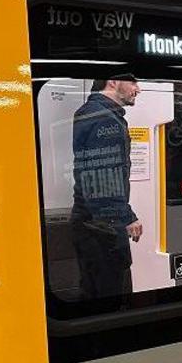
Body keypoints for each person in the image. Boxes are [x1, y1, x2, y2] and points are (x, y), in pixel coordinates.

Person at [70, 75, 141, 301]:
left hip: (91, 222)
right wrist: (126, 216)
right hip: (104, 225)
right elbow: (102, 176)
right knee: (111, 297)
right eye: (133, 83)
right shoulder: (104, 119)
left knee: (93, 292)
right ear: (112, 81)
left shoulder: (91, 112)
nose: (137, 89)